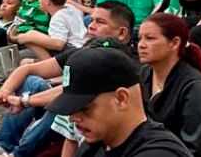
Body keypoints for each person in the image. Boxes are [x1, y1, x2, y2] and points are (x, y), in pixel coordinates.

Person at [0, 2, 136, 157]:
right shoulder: (87, 51)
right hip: (71, 111)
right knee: (32, 82)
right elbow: (27, 69)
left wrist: (24, 101)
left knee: (64, 107)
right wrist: (4, 91)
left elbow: (70, 94)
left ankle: (18, 155)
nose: (91, 26)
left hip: (93, 119)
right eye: (92, 20)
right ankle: (1, 147)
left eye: (100, 22)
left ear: (122, 33)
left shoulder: (117, 61)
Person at [46, 45, 192, 157]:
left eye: (84, 107)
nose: (73, 118)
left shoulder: (159, 153)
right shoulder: (98, 142)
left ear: (121, 98)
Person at [136, 13, 201, 157]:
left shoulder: (196, 87)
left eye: (150, 38)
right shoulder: (144, 75)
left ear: (175, 43)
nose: (141, 45)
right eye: (139, 38)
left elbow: (197, 149)